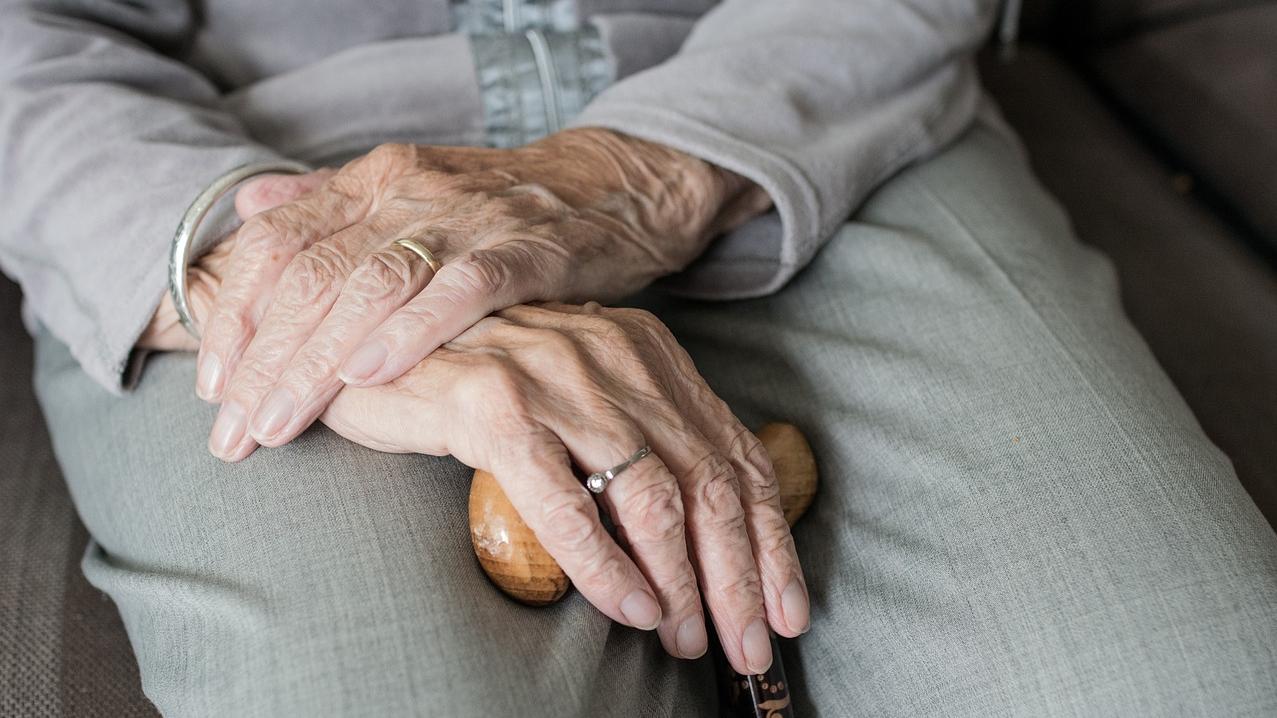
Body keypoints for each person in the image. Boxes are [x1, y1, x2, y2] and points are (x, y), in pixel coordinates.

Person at [3, 0, 1275, 715]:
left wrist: (633, 172)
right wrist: (279, 275)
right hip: (247, 178)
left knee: (1182, 679)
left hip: (814, 110)